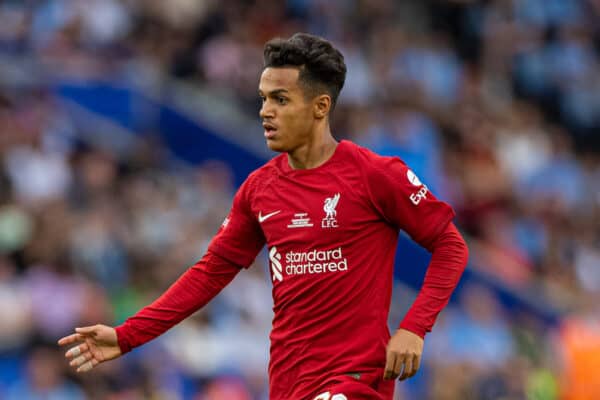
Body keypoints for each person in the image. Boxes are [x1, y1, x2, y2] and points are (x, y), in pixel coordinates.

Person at [58, 33, 468, 400]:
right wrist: (127, 336)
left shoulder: (376, 175)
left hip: (356, 381)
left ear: (320, 106)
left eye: (280, 99)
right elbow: (210, 272)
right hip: (289, 383)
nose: (265, 111)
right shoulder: (259, 189)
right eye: (263, 98)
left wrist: (414, 327)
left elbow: (451, 246)